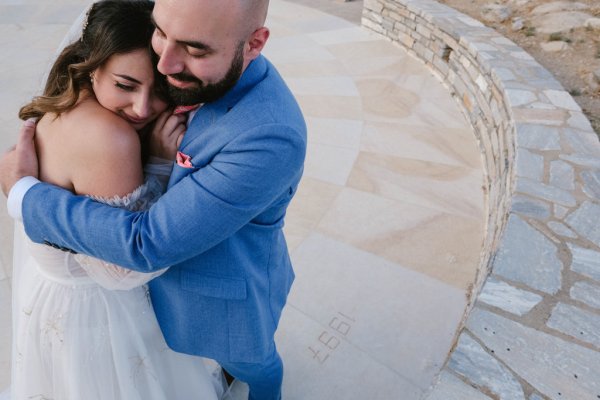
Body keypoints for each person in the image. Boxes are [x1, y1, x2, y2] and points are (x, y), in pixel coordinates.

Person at [0, 0, 307, 399]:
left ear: (253, 44)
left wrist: (25, 194)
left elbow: (146, 244)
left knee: (257, 364)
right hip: (117, 301)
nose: (165, 66)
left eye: (196, 50)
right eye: (162, 34)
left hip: (228, 289)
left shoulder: (267, 137)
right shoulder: (120, 110)